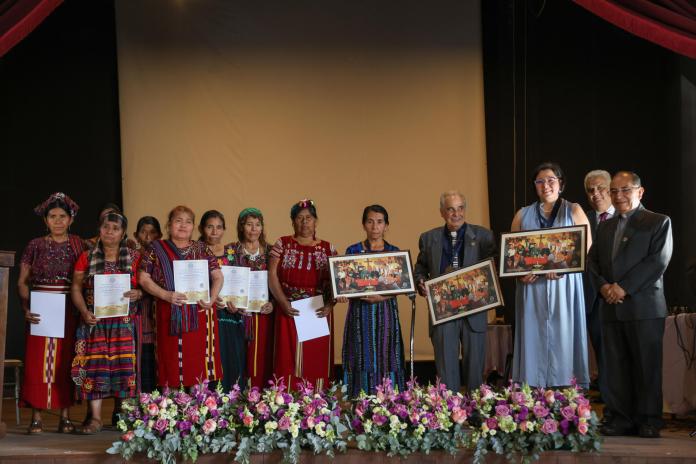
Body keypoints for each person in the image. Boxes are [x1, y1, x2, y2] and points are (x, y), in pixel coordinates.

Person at [588, 171, 672, 438]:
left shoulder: (658, 222)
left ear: (640, 191)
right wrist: (603, 287)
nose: (619, 196)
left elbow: (657, 262)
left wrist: (623, 288)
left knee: (646, 367)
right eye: (614, 191)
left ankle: (649, 420)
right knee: (615, 367)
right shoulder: (605, 226)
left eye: (625, 190)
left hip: (644, 308)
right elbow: (592, 263)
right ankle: (620, 418)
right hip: (611, 307)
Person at [510, 162, 591, 388]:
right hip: (531, 287)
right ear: (534, 186)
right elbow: (512, 255)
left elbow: (586, 247)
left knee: (564, 334)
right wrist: (519, 274)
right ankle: (531, 389)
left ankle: (566, 387)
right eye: (540, 181)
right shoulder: (522, 214)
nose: (546, 185)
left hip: (564, 285)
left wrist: (565, 266)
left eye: (551, 180)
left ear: (561, 184)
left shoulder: (574, 210)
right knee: (532, 336)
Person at [414, 190, 496, 392]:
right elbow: (420, 269)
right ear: (442, 212)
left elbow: (493, 268)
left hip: (474, 312)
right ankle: (448, 413)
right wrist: (421, 282)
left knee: (475, 370)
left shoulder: (484, 236)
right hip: (443, 313)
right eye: (450, 209)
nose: (456, 213)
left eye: (460, 208)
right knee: (446, 369)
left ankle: (476, 412)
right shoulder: (428, 238)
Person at [17, 192, 85, 434]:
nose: (57, 221)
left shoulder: (79, 245)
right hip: (41, 310)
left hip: (69, 309)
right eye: (52, 216)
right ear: (45, 220)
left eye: (62, 216)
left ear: (71, 219)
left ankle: (65, 417)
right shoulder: (34, 245)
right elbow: (22, 281)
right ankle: (36, 416)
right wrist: (27, 307)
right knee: (37, 363)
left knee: (65, 361)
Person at [70, 212, 142, 434]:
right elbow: (75, 287)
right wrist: (83, 311)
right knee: (95, 367)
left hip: (124, 321)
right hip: (95, 322)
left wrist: (138, 293)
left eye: (115, 228)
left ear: (123, 233)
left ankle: (124, 417)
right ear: (99, 229)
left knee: (124, 367)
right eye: (106, 227)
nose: (110, 232)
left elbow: (145, 287)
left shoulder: (134, 257)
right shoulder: (87, 256)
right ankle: (96, 419)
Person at [138, 206, 224, 388]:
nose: (183, 225)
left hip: (201, 311)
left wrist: (212, 298)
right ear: (169, 225)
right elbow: (143, 279)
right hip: (168, 312)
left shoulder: (202, 249)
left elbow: (218, 276)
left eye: (188, 221)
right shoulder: (155, 248)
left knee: (198, 361)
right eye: (178, 220)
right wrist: (166, 295)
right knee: (170, 362)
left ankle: (198, 406)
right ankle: (171, 407)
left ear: (194, 227)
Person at [338, 205, 406, 397]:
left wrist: (382, 296)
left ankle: (389, 400)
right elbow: (346, 282)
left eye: (379, 222)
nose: (375, 226)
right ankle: (359, 398)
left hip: (386, 311)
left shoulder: (394, 252)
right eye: (370, 221)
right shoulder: (353, 251)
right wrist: (343, 293)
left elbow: (399, 285)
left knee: (387, 353)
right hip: (360, 312)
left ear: (386, 225)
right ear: (363, 224)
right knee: (360, 354)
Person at [268, 199, 336, 390]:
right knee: (286, 358)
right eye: (299, 218)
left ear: (316, 221)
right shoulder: (283, 244)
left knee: (315, 359)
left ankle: (316, 404)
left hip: (317, 310)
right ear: (292, 221)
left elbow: (336, 283)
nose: (304, 222)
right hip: (288, 308)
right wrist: (282, 302)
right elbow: (272, 275)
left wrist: (330, 305)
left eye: (308, 218)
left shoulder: (329, 249)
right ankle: (286, 402)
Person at [217, 208, 275, 389]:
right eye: (249, 224)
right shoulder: (230, 251)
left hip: (264, 317)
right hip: (236, 316)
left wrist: (273, 304)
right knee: (237, 358)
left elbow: (278, 282)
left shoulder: (271, 252)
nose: (253, 229)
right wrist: (229, 303)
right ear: (242, 227)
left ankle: (261, 398)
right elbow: (221, 281)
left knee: (262, 359)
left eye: (257, 225)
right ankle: (237, 397)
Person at [199, 210, 246, 390]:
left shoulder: (233, 252)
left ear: (224, 230)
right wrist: (210, 297)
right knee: (207, 360)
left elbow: (240, 285)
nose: (214, 232)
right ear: (202, 229)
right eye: (210, 227)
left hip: (229, 316)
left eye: (219, 227)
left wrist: (236, 303)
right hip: (204, 315)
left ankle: (230, 405)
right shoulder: (195, 252)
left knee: (230, 357)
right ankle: (206, 407)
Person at [582, 170, 614, 400]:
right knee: (601, 346)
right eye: (591, 190)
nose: (596, 194)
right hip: (593, 296)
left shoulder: (627, 218)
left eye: (601, 188)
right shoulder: (583, 221)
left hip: (623, 294)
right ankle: (606, 391)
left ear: (611, 188)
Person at [131, 216, 162, 393]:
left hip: (157, 315)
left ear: (160, 235)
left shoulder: (162, 256)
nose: (148, 236)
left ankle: (159, 407)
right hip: (136, 317)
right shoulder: (131, 257)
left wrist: (143, 292)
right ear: (136, 235)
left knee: (156, 361)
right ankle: (136, 408)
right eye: (143, 232)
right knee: (138, 359)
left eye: (152, 233)